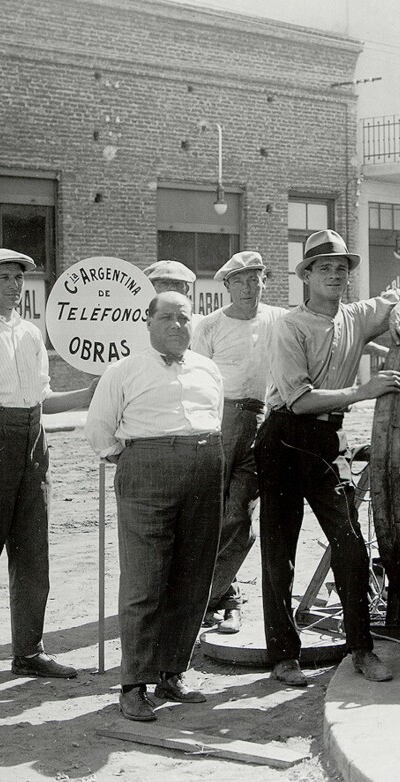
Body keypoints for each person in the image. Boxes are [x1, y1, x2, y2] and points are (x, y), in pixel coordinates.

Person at [259, 229, 400, 687]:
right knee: (280, 551)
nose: (335, 276)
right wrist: (363, 391)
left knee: (351, 544)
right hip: (283, 438)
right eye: (325, 269)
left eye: (342, 269)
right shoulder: (289, 327)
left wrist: (397, 310)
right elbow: (297, 400)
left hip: (326, 440)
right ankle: (283, 656)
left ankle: (361, 648)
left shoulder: (356, 315)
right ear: (307, 277)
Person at [0, 248, 95, 683]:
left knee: (33, 552)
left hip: (33, 442)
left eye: (19, 278)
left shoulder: (31, 335)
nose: (15, 285)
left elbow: (42, 400)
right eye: (5, 277)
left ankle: (29, 650)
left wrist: (86, 395)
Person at [86, 291, 223, 721]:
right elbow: (100, 430)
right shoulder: (124, 371)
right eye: (166, 318)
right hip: (146, 469)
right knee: (145, 581)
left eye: (184, 319)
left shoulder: (208, 369)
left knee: (193, 576)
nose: (177, 326)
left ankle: (172, 672)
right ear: (147, 322)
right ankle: (132, 685)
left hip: (204, 469)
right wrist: (138, 461)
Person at [191, 251, 288, 635]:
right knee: (207, 514)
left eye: (255, 279)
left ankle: (206, 597)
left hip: (262, 418)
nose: (248, 288)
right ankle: (218, 598)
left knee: (241, 516)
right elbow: (194, 377)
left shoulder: (280, 319)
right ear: (226, 286)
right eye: (240, 281)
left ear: (265, 281)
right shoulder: (211, 326)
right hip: (217, 420)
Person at [143, 260, 203, 331]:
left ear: (186, 289)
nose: (172, 288)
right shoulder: (138, 324)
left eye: (177, 283)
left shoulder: (200, 324)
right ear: (151, 288)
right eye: (164, 283)